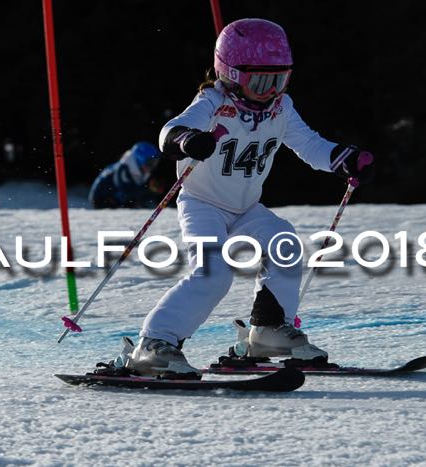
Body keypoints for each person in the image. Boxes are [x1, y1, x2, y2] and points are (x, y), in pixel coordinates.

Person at [121, 18, 375, 377]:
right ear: (231, 73)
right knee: (213, 273)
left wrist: (342, 159)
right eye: (260, 81)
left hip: (245, 209)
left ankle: (269, 331)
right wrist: (188, 140)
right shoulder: (213, 100)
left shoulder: (280, 108)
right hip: (202, 204)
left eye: (279, 79)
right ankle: (155, 343)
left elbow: (309, 145)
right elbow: (170, 133)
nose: (270, 90)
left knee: (284, 242)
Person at [88, 141, 162, 209]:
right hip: (101, 201)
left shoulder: (137, 169)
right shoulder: (123, 169)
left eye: (155, 163)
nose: (152, 167)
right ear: (140, 159)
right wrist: (149, 192)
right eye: (150, 163)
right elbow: (127, 194)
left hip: (115, 199)